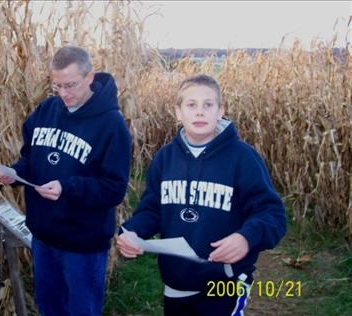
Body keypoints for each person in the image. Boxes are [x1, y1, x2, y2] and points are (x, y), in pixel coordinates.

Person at [116, 74, 286, 316]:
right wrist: (133, 231)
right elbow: (153, 209)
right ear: (178, 112)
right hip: (177, 280)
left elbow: (272, 214)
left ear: (220, 111)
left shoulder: (242, 158)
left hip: (225, 279)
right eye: (191, 105)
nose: (200, 112)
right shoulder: (165, 158)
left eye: (208, 105)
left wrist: (246, 238)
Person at [0, 46, 132, 316]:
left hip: (82, 244)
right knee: (50, 308)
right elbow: (30, 160)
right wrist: (13, 174)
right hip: (44, 237)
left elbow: (114, 188)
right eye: (57, 85)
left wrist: (67, 188)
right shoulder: (46, 110)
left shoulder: (111, 125)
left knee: (82, 310)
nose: (64, 94)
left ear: (90, 77)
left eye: (70, 85)